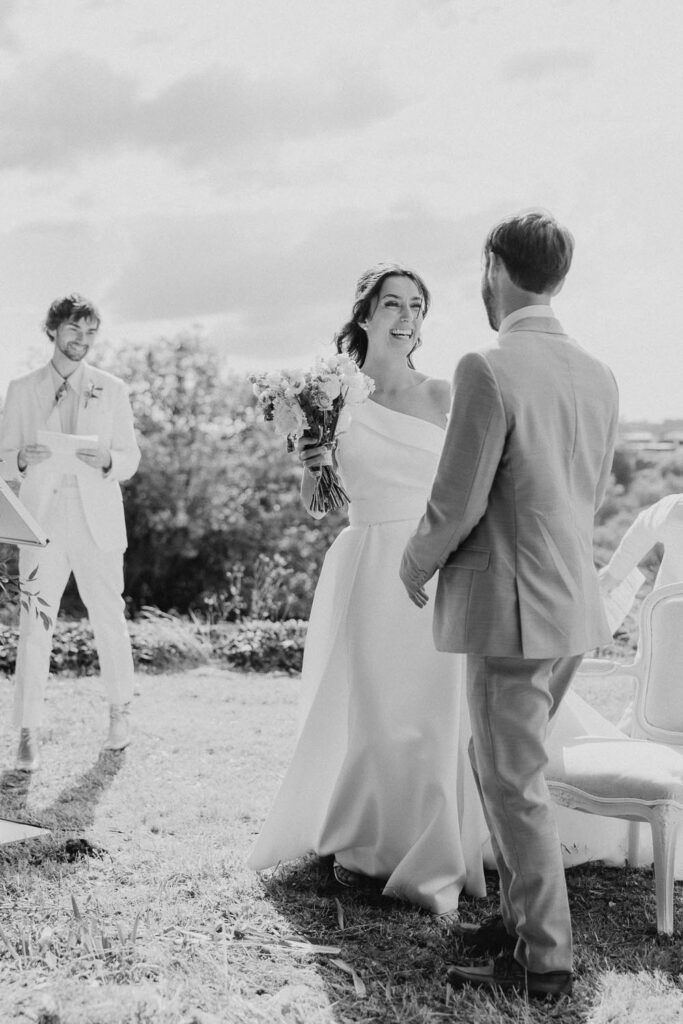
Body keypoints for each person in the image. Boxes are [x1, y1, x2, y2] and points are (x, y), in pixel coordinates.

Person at [249, 261, 628, 918]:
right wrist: (313, 468)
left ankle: (447, 836)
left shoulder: (447, 392)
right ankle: (372, 838)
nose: (406, 317)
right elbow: (319, 505)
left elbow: (476, 479)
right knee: (373, 710)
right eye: (392, 304)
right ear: (363, 315)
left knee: (434, 711)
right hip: (364, 564)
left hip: (438, 561)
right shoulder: (331, 401)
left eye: (416, 306)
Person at [400, 211, 618, 999]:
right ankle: (524, 922)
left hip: (514, 611)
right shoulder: (597, 372)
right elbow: (585, 496)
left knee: (508, 778)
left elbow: (455, 500)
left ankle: (543, 965)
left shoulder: (485, 366)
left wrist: (412, 560)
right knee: (494, 765)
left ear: (494, 266)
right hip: (571, 608)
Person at [0, 294, 140, 771]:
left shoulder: (112, 388)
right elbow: (2, 457)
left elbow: (130, 457)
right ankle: (26, 732)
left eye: (90, 333)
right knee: (34, 627)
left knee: (110, 619)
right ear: (54, 330)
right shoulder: (22, 389)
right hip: (40, 520)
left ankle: (121, 715)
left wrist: (107, 461)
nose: (81, 341)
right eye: (74, 331)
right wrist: (19, 459)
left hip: (96, 519)